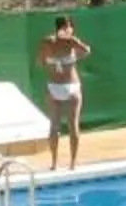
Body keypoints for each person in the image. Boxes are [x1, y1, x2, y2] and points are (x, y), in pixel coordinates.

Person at [36, 14, 92, 167]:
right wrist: (74, 56)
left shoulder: (47, 42)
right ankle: (72, 163)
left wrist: (55, 62)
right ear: (67, 27)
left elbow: (40, 62)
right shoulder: (71, 41)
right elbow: (87, 50)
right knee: (73, 125)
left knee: (54, 126)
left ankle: (54, 163)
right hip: (71, 86)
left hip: (54, 86)